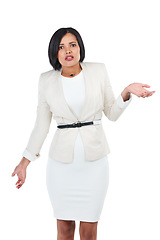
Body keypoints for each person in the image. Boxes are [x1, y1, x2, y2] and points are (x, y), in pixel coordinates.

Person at [11, 27, 155, 240]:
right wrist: (24, 163)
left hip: (94, 166)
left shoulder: (98, 70)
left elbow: (111, 114)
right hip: (61, 167)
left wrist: (126, 92)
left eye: (72, 44)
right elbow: (41, 126)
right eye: (61, 47)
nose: (68, 50)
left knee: (89, 231)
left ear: (80, 47)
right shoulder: (46, 80)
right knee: (65, 229)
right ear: (55, 52)